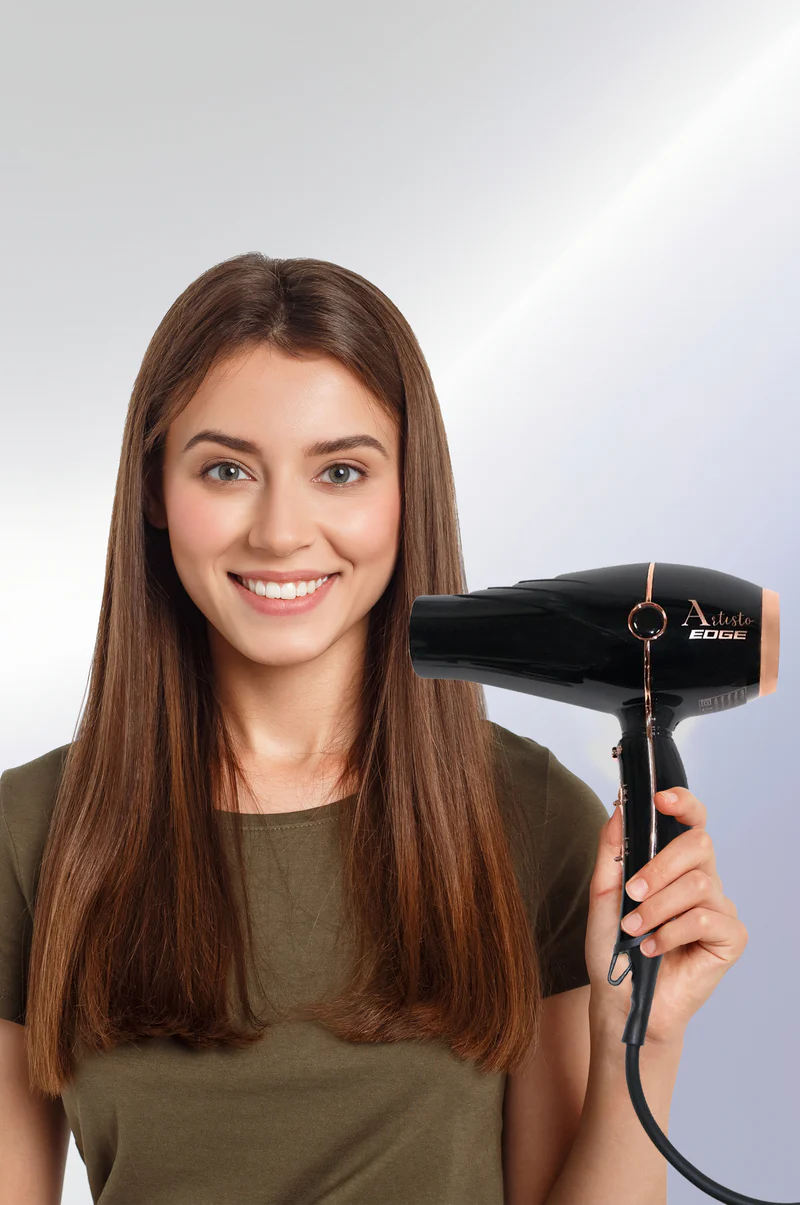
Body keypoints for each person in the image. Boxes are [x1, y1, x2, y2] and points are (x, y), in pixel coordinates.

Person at [0, 253, 747, 1205]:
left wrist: (645, 1037)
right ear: (154, 492)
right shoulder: (30, 833)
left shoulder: (529, 819)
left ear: (407, 494)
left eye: (341, 470)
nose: (281, 531)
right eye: (226, 468)